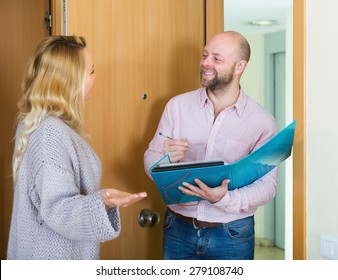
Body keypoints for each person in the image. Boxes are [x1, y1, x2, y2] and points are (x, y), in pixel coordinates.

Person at [7, 35, 147, 260]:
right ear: (69, 80)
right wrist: (104, 201)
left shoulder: (41, 124)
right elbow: (57, 208)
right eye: (91, 71)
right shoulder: (49, 133)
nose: (95, 77)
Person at [144, 31, 278, 260]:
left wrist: (224, 199)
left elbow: (268, 187)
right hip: (178, 229)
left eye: (217, 58)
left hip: (232, 234)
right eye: (205, 55)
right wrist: (164, 159)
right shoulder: (177, 107)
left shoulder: (262, 122)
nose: (205, 63)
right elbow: (151, 158)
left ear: (239, 67)